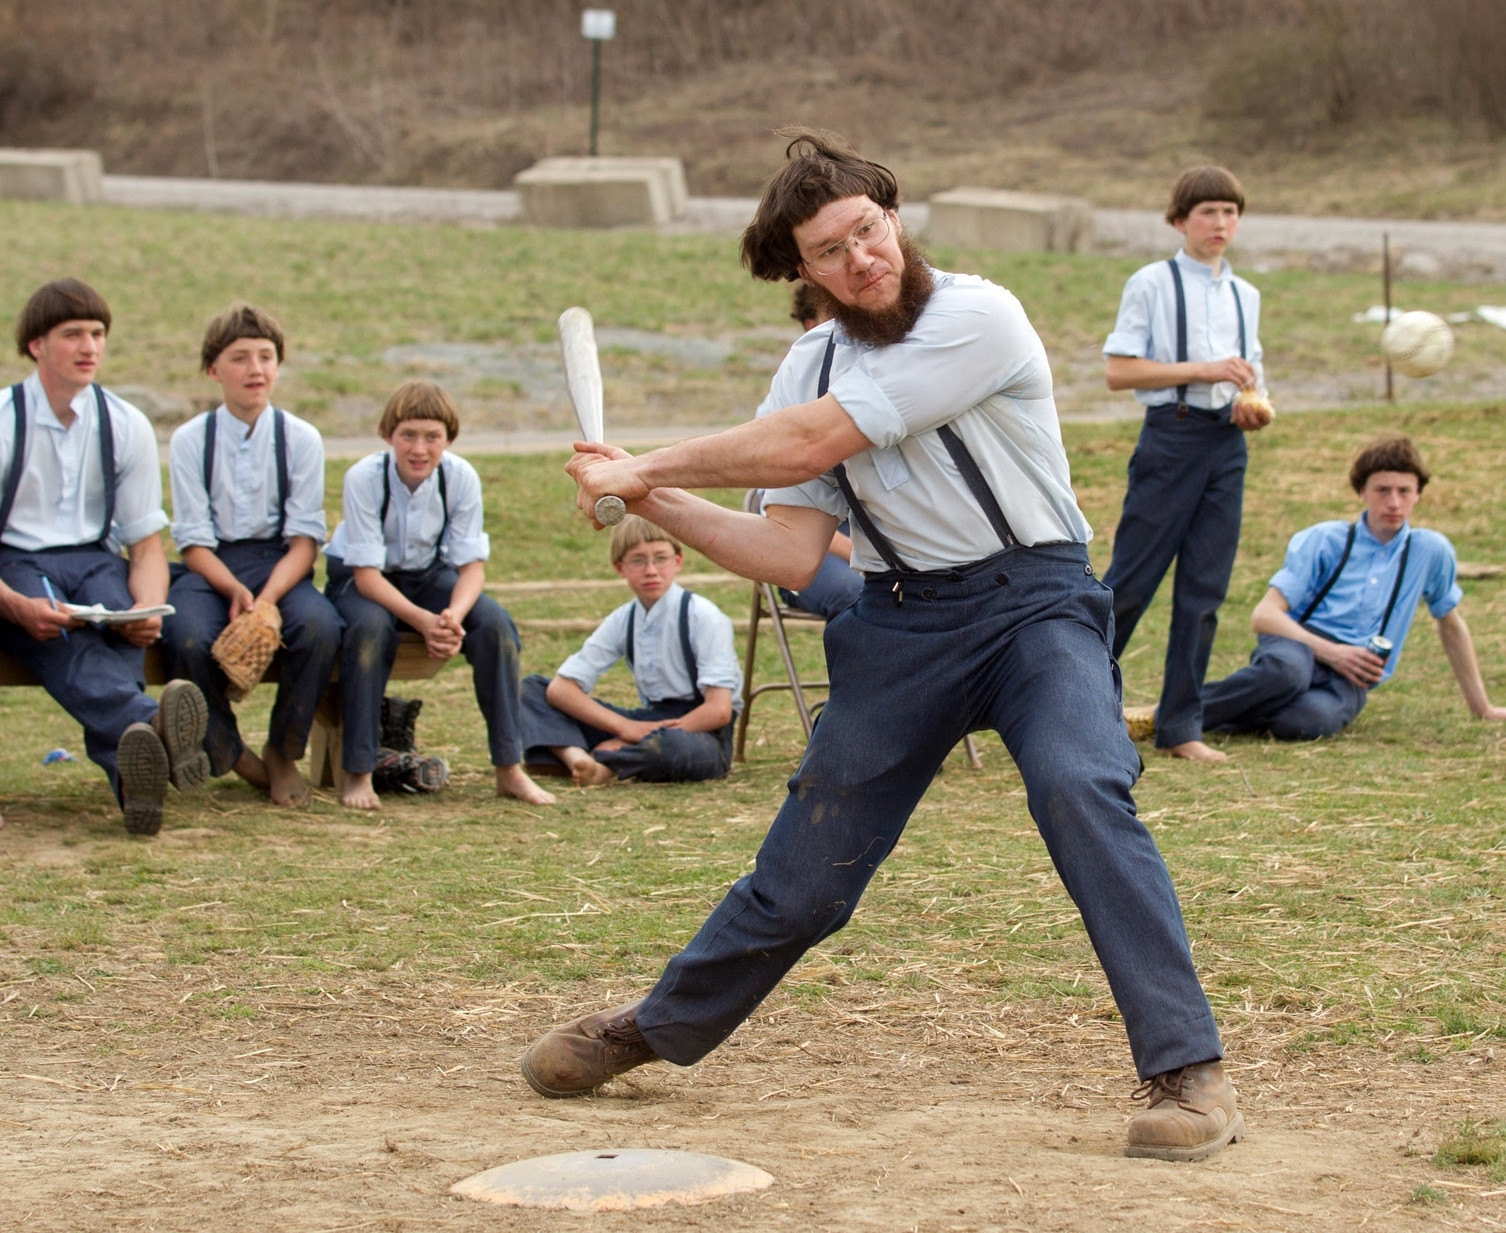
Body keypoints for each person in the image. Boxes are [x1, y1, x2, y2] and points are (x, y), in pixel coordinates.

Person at [521, 130, 1243, 1163]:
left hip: (1033, 602)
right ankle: (655, 1028)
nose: (860, 256)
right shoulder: (806, 365)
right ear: (803, 273)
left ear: (893, 219)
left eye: (868, 229)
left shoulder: (976, 314)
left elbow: (816, 443)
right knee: (807, 869)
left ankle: (1190, 1072)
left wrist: (650, 458)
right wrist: (652, 496)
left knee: (1081, 783)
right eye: (829, 249)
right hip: (902, 621)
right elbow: (785, 549)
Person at [0, 278, 208, 835]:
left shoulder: (125, 423)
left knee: (118, 619)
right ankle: (154, 726)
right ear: (36, 345)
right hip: (17, 563)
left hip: (96, 559)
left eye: (98, 334)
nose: (90, 346)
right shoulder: (3, 420)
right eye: (73, 334)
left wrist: (148, 605)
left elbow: (144, 544)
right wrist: (18, 607)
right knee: (60, 634)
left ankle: (133, 776)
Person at [1102, 166, 1271, 764]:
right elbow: (1119, 370)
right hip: (1170, 440)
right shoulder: (1151, 282)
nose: (1220, 222)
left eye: (1230, 211)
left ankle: (1180, 726)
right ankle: (1079, 711)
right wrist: (1203, 370)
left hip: (1227, 445)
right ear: (1180, 221)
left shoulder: (1246, 295)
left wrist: (1256, 410)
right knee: (1129, 584)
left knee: (1205, 590)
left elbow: (1252, 377)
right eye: (1207, 212)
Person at [323, 379, 555, 810]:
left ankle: (509, 767)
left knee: (495, 626)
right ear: (388, 434)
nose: (419, 448)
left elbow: (471, 568)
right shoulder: (365, 478)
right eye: (408, 435)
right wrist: (424, 622)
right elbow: (367, 577)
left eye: (432, 437)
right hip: (362, 579)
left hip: (428, 574)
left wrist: (451, 617)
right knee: (370, 631)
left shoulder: (460, 476)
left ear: (448, 439)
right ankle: (358, 771)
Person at [1198, 435, 1506, 739]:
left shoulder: (1430, 551)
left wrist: (1483, 707)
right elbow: (1264, 616)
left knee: (1305, 722)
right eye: (1382, 490)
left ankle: (1230, 711)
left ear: (1418, 495)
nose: (1394, 502)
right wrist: (1332, 652)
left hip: (1354, 673)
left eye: (1404, 491)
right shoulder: (1325, 540)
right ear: (1362, 491)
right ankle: (1171, 714)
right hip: (1297, 644)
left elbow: (1450, 626)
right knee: (1286, 674)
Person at [161, 304, 342, 806]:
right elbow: (192, 541)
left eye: (266, 357)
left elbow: (305, 541)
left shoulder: (301, 438)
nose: (256, 369)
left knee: (320, 627)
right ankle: (229, 750)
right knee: (188, 636)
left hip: (280, 566)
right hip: (210, 567)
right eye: (240, 358)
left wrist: (266, 598)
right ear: (213, 370)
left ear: (278, 367)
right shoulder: (190, 440)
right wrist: (232, 589)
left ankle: (283, 751)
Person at [519, 514, 741, 786]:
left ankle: (604, 765)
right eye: (638, 560)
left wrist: (645, 736)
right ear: (619, 568)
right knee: (533, 689)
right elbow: (561, 689)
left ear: (678, 561)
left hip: (699, 730)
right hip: (645, 721)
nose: (651, 570)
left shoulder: (703, 615)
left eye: (661, 558)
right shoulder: (623, 619)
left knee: (671, 748)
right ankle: (575, 755)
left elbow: (718, 710)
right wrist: (626, 728)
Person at [770, 285, 863, 620]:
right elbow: (777, 510)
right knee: (857, 595)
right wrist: (856, 551)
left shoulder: (877, 377)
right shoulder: (789, 391)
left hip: (869, 537)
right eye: (836, 316)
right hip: (817, 545)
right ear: (812, 324)